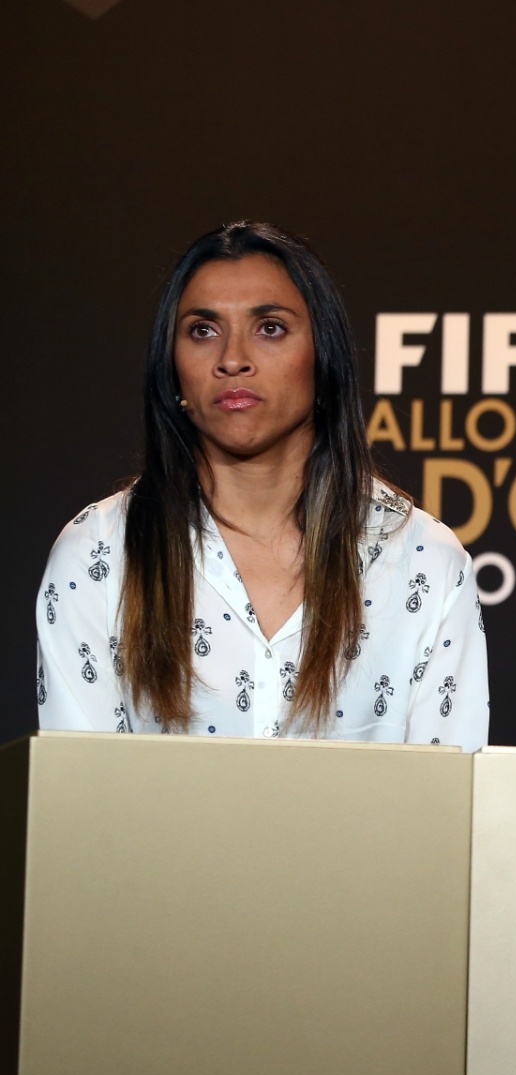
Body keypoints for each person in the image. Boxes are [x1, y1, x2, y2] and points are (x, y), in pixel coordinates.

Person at [35, 222, 488, 750]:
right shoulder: (99, 553)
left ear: (322, 357)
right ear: (172, 369)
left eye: (270, 328)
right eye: (203, 330)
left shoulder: (424, 560)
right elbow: (82, 793)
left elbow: (448, 794)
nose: (232, 359)